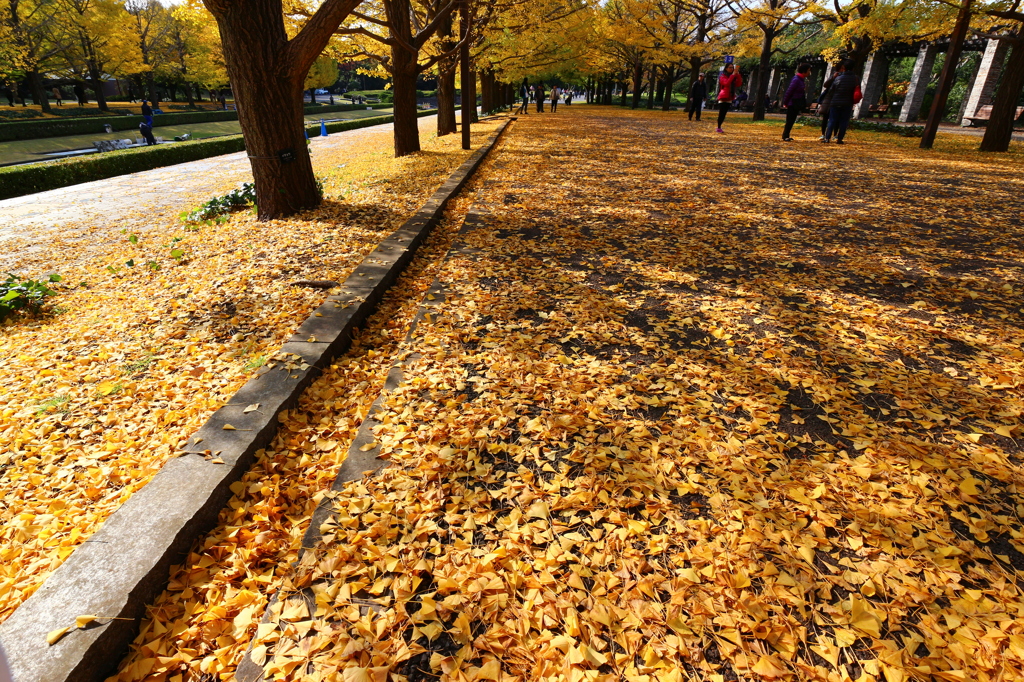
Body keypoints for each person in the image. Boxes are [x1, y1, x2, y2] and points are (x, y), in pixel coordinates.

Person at [823, 59, 861, 144]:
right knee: (844, 121)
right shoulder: (856, 78)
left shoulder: (838, 78)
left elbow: (831, 90)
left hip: (835, 102)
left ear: (844, 67)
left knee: (832, 120)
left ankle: (827, 138)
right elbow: (858, 90)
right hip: (848, 103)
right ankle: (839, 139)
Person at [781, 63, 811, 141]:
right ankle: (785, 136)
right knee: (790, 120)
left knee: (792, 120)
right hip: (793, 103)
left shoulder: (800, 79)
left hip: (796, 103)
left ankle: (786, 135)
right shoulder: (796, 79)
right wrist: (786, 102)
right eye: (808, 70)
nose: (809, 72)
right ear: (804, 71)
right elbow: (789, 91)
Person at [715, 63, 742, 133]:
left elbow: (738, 84)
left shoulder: (733, 77)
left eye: (732, 68)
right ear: (726, 68)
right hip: (723, 96)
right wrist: (733, 75)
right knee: (721, 112)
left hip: (730, 97)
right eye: (730, 67)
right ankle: (718, 126)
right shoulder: (722, 76)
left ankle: (719, 126)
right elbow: (726, 83)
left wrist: (738, 75)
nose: (731, 69)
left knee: (724, 113)